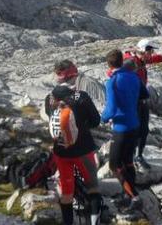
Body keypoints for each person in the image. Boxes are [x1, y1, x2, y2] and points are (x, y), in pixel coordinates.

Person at [44, 81, 103, 225]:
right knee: (93, 187)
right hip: (83, 150)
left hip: (61, 152)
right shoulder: (81, 97)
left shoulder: (49, 100)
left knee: (66, 192)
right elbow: (96, 121)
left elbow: (50, 117)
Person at [100, 49, 147, 212]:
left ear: (109, 64)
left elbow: (111, 109)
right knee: (128, 161)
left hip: (121, 128)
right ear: (122, 60)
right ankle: (128, 196)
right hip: (135, 124)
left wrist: (102, 118)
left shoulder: (111, 82)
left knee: (114, 165)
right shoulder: (134, 76)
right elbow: (145, 94)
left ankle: (134, 196)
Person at [124, 39, 162, 169]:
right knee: (134, 129)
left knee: (144, 129)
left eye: (152, 51)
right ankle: (130, 157)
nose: (152, 53)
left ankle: (139, 155)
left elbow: (152, 60)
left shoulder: (141, 59)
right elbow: (112, 73)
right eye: (150, 51)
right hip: (132, 101)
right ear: (143, 51)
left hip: (141, 100)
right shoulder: (130, 62)